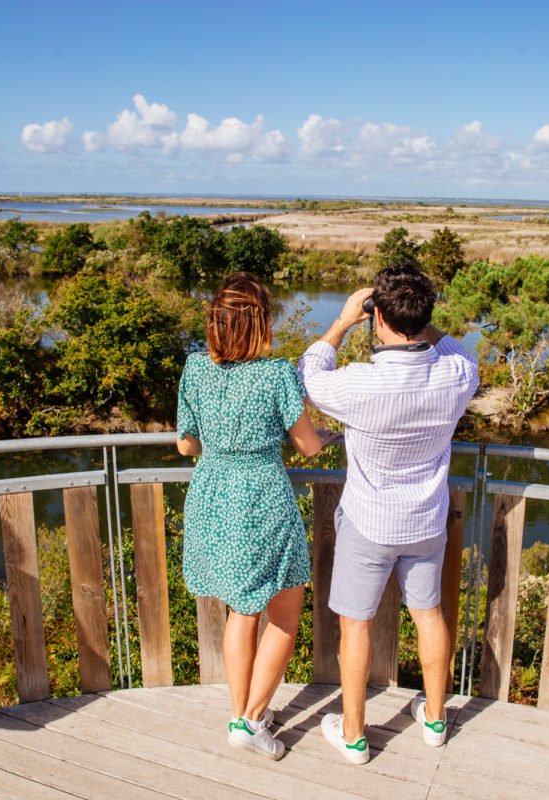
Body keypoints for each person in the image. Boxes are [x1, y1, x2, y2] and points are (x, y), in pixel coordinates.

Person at [298, 264, 479, 764]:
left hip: (369, 522)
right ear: (425, 317)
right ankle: (436, 719)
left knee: (356, 626)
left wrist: (341, 322)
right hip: (426, 521)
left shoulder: (360, 386)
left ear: (376, 317)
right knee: (429, 615)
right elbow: (460, 350)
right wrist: (421, 324)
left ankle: (355, 735)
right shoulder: (456, 374)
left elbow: (308, 376)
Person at [176, 272, 329, 760]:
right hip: (260, 495)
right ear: (261, 322)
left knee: (240, 609)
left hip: (212, 492)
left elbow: (185, 443)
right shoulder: (276, 374)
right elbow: (306, 446)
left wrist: (219, 442)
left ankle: (242, 712)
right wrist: (326, 436)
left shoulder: (194, 369)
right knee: (283, 614)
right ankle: (252, 719)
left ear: (215, 323)